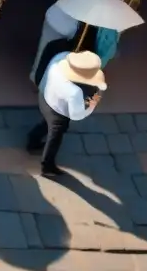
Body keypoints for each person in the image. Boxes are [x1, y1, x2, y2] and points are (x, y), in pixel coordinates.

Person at [26, 50, 106, 178]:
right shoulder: (75, 92)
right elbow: (77, 115)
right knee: (55, 135)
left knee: (47, 123)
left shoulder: (59, 58)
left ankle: (32, 140)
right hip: (58, 111)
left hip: (45, 96)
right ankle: (47, 166)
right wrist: (93, 103)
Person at [30, 0, 80, 84]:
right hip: (65, 30)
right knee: (57, 58)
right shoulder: (80, 7)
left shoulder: (63, 1)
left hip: (52, 21)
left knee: (43, 49)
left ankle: (35, 76)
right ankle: (46, 81)